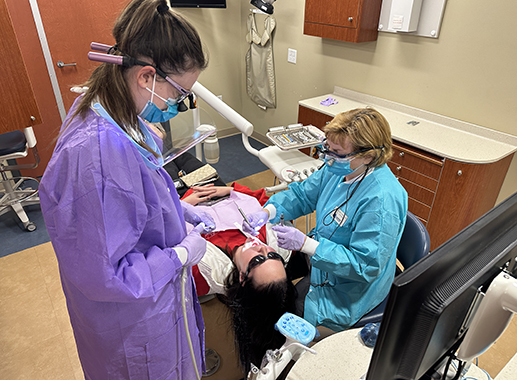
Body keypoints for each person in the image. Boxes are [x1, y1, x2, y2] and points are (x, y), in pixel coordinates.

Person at [38, 1, 214, 379]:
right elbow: (105, 273)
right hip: (132, 324)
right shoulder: (94, 154)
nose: (181, 104)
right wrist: (179, 255)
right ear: (147, 77)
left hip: (151, 303)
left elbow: (130, 198)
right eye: (181, 93)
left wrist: (175, 210)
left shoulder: (115, 112)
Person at [244, 107, 408, 332]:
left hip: (351, 288)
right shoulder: (338, 168)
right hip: (323, 256)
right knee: (263, 283)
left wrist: (307, 245)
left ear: (368, 156)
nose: (327, 158)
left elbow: (364, 266)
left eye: (337, 152)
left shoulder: (381, 202)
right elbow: (302, 194)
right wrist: (269, 211)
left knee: (290, 313)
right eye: (326, 149)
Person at [181, 183, 298, 374]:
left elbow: (162, 236)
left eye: (259, 259)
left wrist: (181, 206)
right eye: (273, 256)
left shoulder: (202, 271)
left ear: (242, 277)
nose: (263, 249)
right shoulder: (276, 242)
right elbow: (263, 200)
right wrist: (229, 191)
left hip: (180, 199)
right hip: (219, 193)